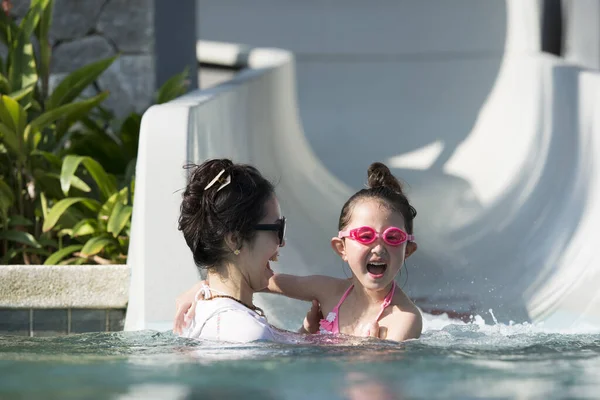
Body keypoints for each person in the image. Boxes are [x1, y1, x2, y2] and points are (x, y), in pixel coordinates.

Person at [176, 160, 422, 342]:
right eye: (365, 236)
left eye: (393, 237)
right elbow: (261, 283)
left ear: (407, 249)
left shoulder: (403, 318)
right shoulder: (327, 291)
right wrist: (203, 286)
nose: (379, 247)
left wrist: (306, 335)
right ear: (341, 247)